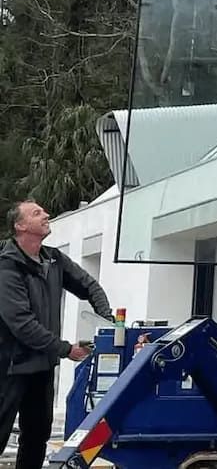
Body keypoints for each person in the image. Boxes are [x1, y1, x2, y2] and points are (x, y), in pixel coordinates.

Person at [0, 200, 113, 469]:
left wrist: (106, 321)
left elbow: (89, 285)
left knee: (37, 436)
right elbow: (22, 324)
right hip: (10, 367)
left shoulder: (53, 259)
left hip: (41, 366)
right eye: (37, 213)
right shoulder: (7, 267)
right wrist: (66, 349)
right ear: (20, 225)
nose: (46, 214)